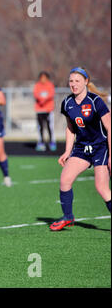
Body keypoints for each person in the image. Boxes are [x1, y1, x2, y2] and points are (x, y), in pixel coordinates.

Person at [50, 67, 110, 231]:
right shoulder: (67, 103)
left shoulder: (95, 101)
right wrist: (67, 151)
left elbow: (109, 127)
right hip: (82, 148)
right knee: (65, 179)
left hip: (101, 147)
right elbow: (71, 128)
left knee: (102, 188)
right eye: (71, 81)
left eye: (77, 81)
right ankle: (68, 217)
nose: (74, 84)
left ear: (86, 82)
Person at [33, 71, 56, 151]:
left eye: (44, 78)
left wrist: (44, 100)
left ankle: (52, 142)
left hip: (48, 109)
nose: (43, 79)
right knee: (40, 127)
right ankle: (41, 142)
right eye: (41, 78)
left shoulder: (50, 85)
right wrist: (41, 99)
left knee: (50, 127)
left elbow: (51, 94)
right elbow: (36, 94)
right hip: (39, 110)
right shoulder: (37, 85)